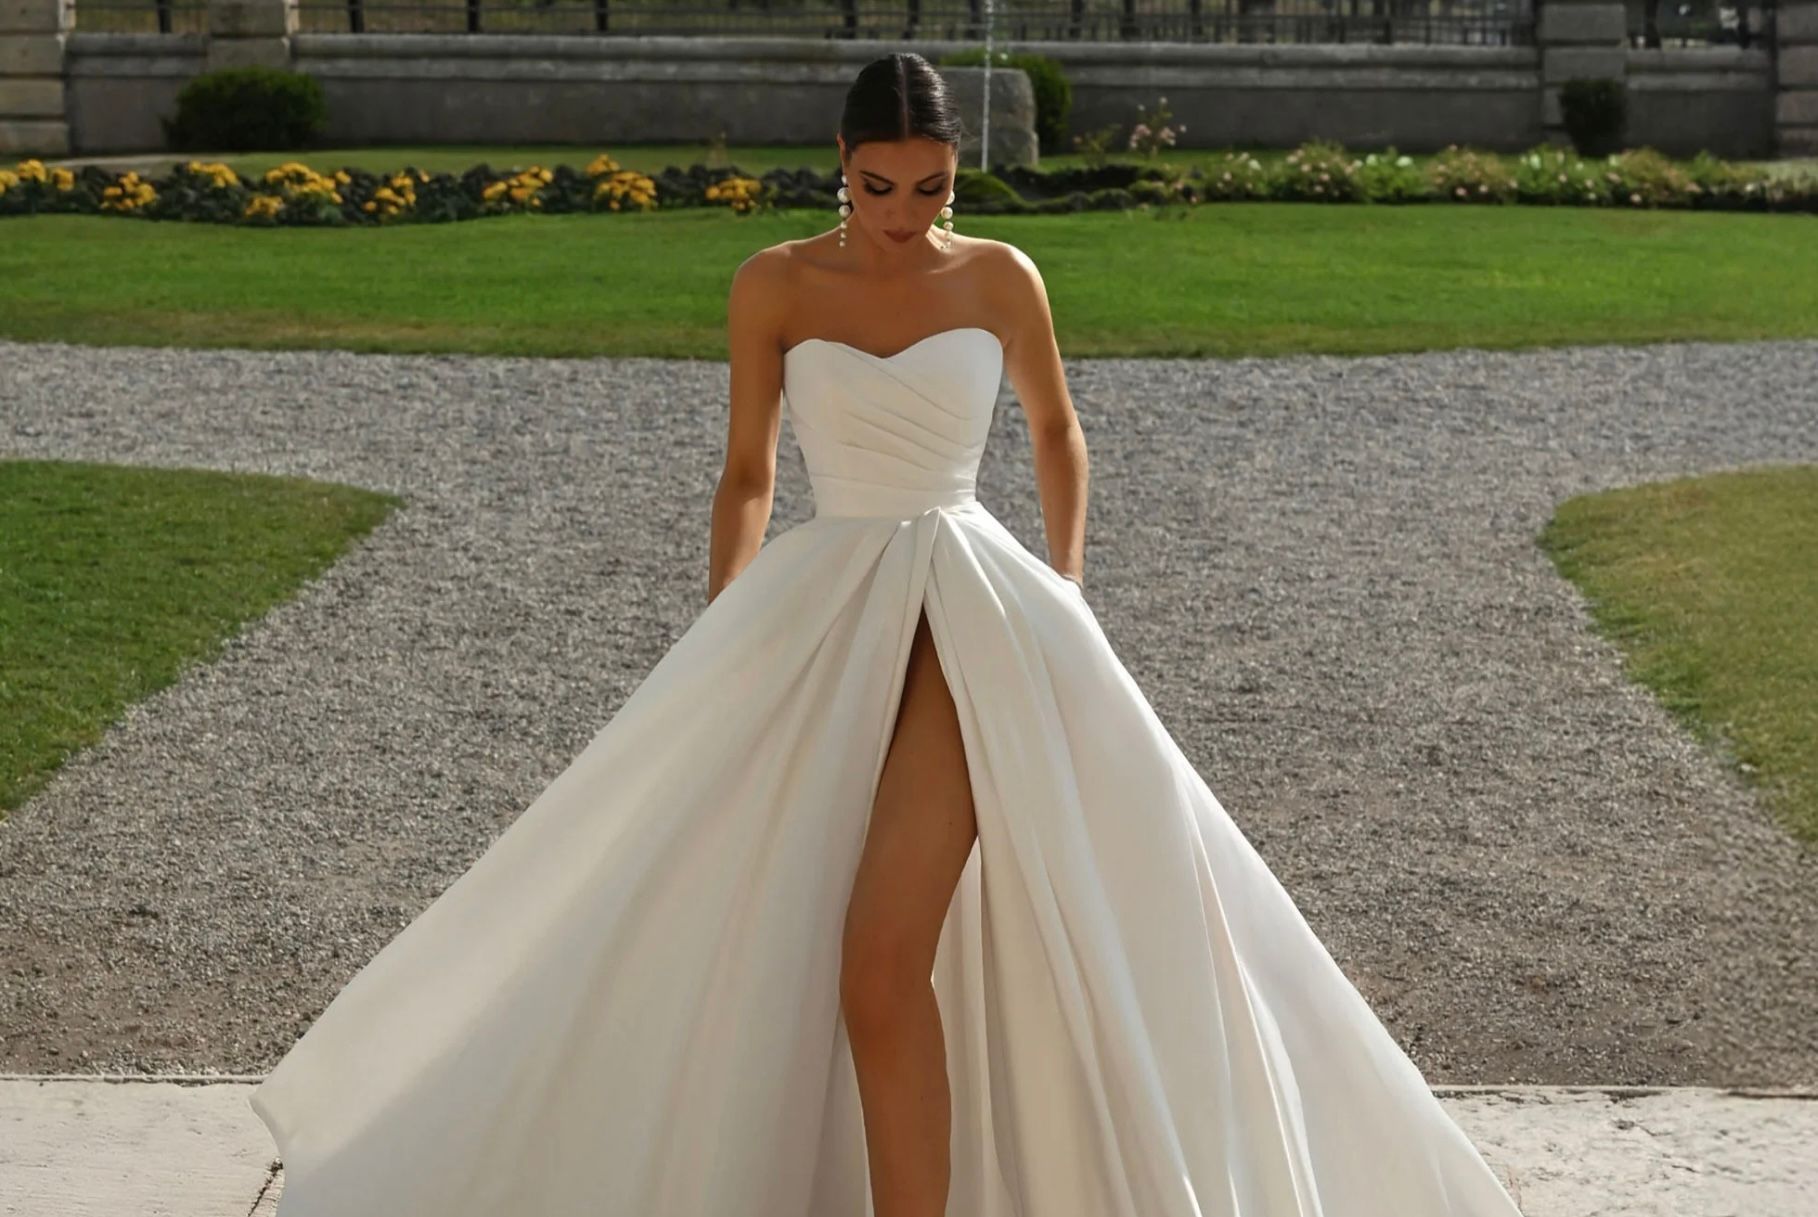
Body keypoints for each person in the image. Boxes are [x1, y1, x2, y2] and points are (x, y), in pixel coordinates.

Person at [249, 51, 1529, 1217]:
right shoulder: (774, 284)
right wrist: (723, 634)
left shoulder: (998, 277)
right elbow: (748, 471)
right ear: (840, 166)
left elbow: (1057, 428)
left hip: (977, 612)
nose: (906, 213)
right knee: (741, 912)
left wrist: (1069, 590)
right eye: (880, 186)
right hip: (823, 604)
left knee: (880, 955)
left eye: (930, 186)